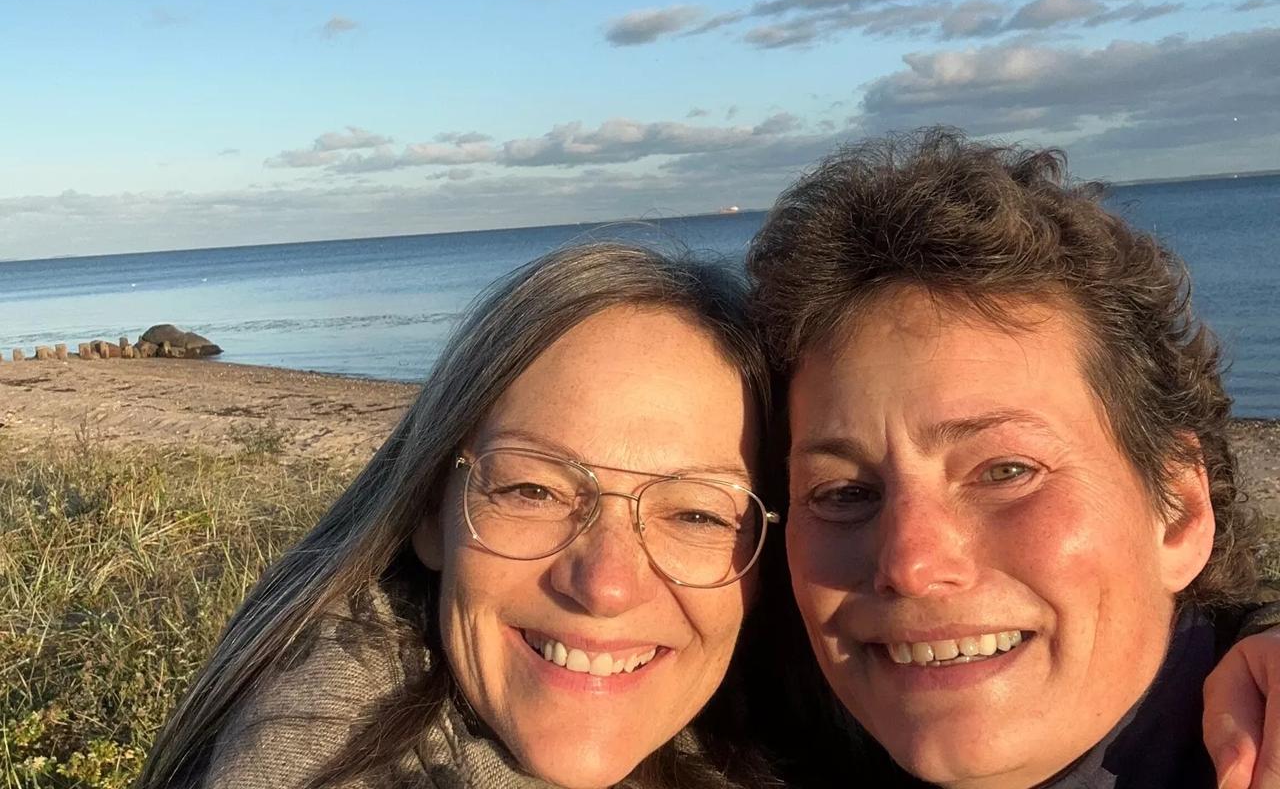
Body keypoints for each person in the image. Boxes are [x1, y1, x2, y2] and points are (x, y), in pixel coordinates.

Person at [136, 242, 782, 789]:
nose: (606, 586)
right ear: (428, 510)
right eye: (534, 491)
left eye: (697, 515)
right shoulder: (304, 756)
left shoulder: (805, 735)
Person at [745, 127, 1273, 788]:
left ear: (1179, 513)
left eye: (1005, 471)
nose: (910, 564)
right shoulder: (758, 750)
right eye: (843, 493)